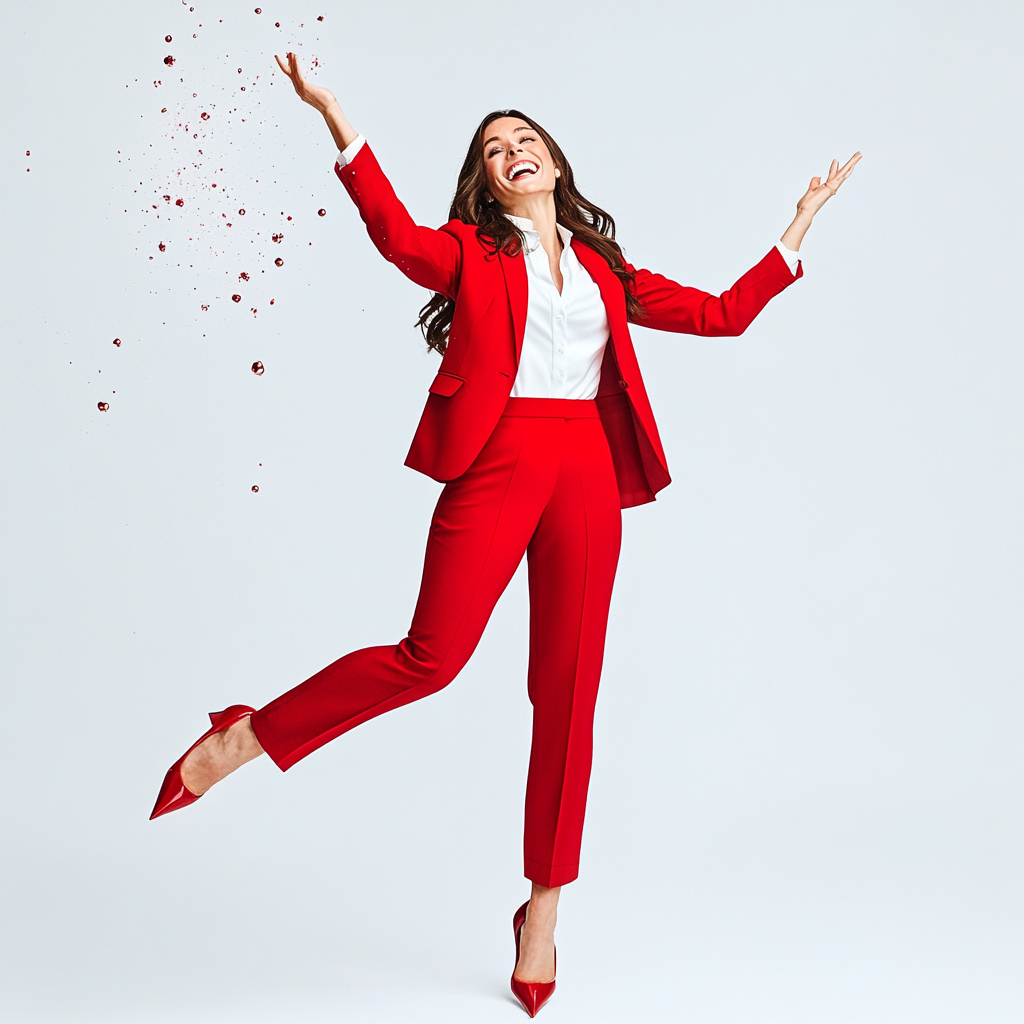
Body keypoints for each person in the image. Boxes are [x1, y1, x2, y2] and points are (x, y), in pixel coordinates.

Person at [150, 51, 861, 1017]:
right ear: (486, 181)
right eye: (494, 150)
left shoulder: (608, 268)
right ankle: (248, 739)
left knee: (569, 692)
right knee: (429, 658)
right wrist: (336, 120)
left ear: (556, 163)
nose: (512, 152)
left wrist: (795, 230)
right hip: (496, 461)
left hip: (585, 472)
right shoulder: (470, 254)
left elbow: (723, 316)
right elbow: (397, 240)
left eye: (525, 140)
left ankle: (543, 911)